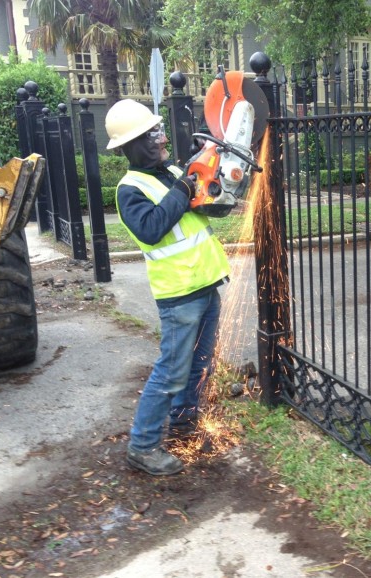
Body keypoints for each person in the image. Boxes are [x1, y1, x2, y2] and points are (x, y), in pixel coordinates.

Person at [104, 99, 230, 476]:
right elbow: (151, 228)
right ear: (129, 146)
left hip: (206, 283)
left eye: (158, 130)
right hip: (179, 295)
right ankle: (142, 446)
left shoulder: (172, 171)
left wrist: (206, 177)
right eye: (150, 134)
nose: (160, 137)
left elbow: (203, 206)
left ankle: (184, 424)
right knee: (171, 371)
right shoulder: (130, 190)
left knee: (200, 364)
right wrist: (182, 186)